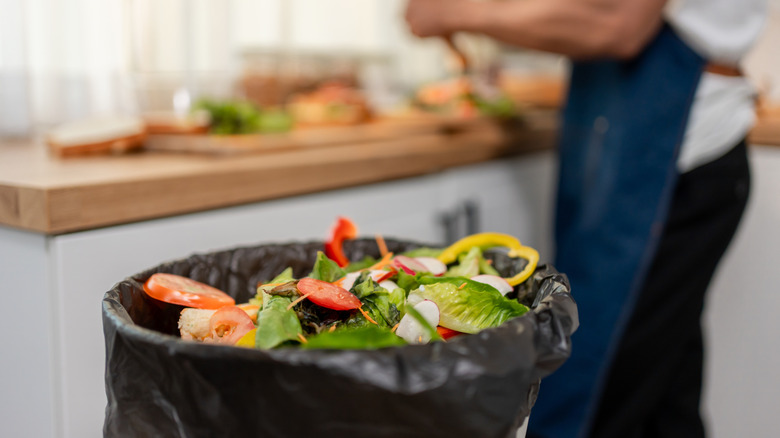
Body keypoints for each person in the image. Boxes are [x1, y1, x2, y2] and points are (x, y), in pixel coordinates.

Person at [405, 1, 766, 437]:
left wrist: (458, 13)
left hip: (674, 154)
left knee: (597, 387)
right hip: (645, 145)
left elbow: (616, 24)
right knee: (663, 388)